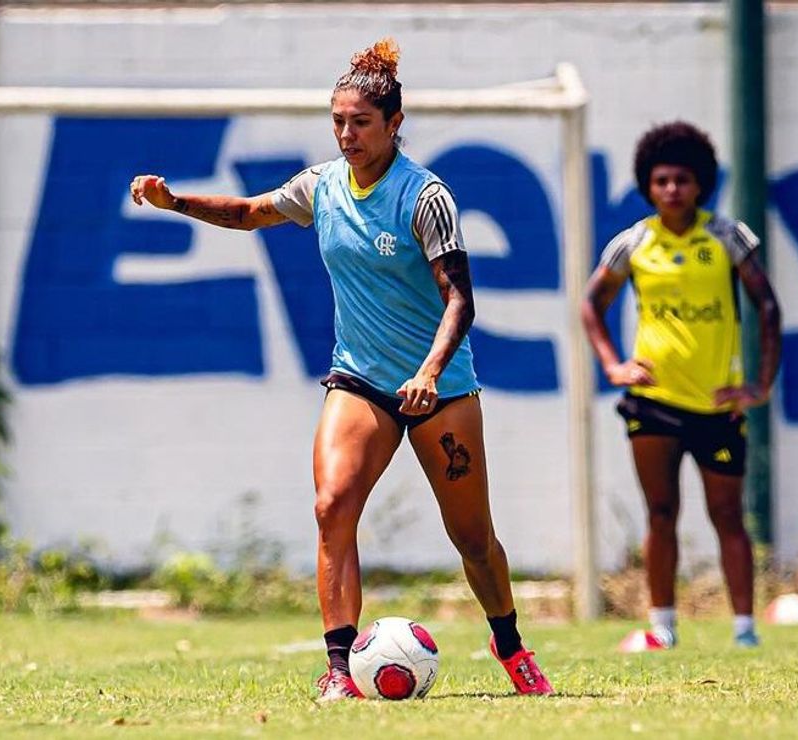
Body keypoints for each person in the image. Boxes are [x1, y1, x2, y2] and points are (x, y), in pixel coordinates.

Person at [130, 37, 552, 701]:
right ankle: (337, 669)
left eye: (360, 122)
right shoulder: (320, 185)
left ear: (393, 125)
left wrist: (431, 372)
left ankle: (510, 645)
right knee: (332, 507)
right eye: (338, 121)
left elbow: (461, 299)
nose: (347, 134)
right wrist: (174, 200)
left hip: (438, 388)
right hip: (359, 380)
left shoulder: (425, 196)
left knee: (472, 538)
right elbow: (247, 214)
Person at [582, 122, 781, 650]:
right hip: (653, 404)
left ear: (701, 184)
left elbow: (768, 305)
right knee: (661, 512)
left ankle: (744, 630)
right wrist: (613, 365)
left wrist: (759, 384)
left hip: (716, 403)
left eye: (683, 180)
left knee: (727, 516)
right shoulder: (634, 242)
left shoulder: (728, 237)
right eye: (662, 180)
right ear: (648, 185)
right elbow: (590, 304)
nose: (672, 189)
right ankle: (663, 627)